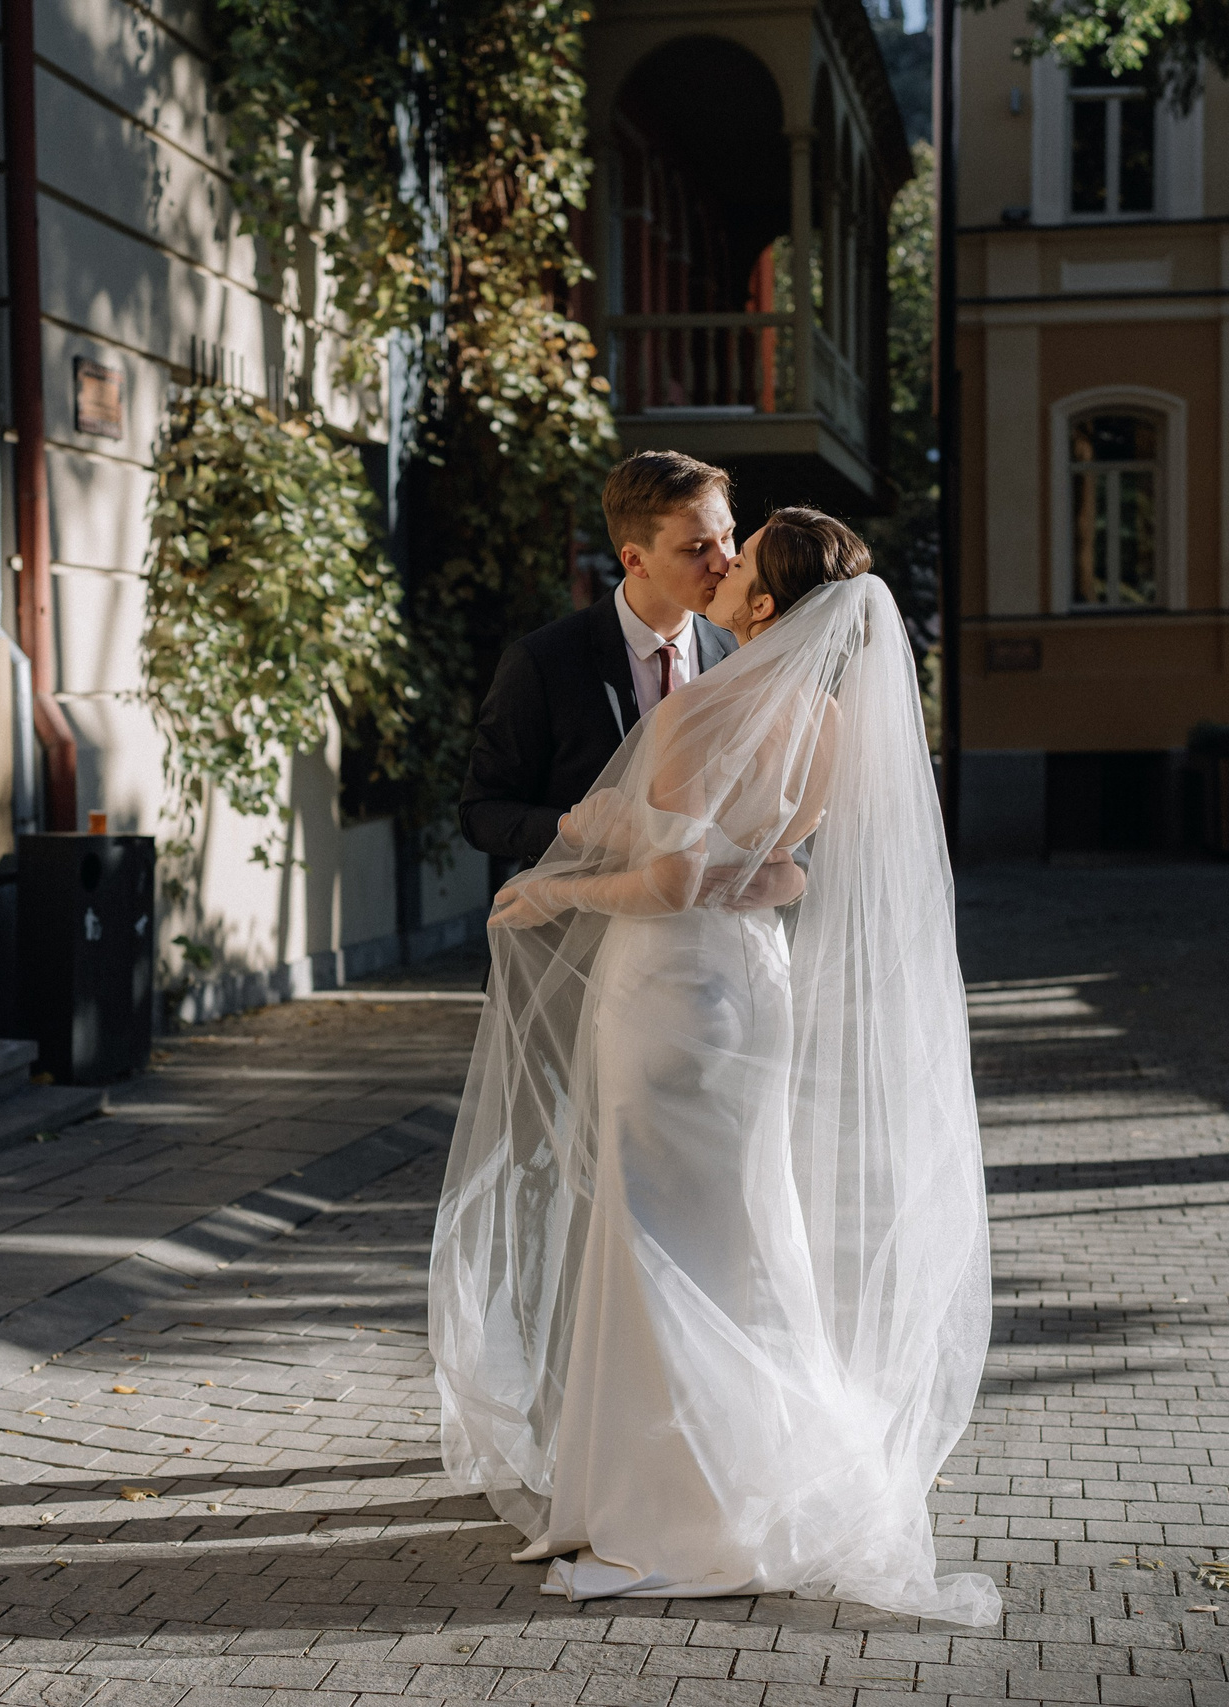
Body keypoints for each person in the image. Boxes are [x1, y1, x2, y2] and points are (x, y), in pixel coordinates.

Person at [428, 508, 998, 1625]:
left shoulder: (703, 710)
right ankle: (752, 1483)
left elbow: (671, 884)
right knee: (738, 1232)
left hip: (671, 994)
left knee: (647, 1238)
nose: (725, 567)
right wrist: (676, 861)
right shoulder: (831, 724)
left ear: (768, 610)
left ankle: (660, 1508)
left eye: (743, 558)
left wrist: (554, 891)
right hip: (752, 987)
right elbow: (781, 878)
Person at [459, 451, 742, 868]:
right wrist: (576, 829)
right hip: (584, 923)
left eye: (728, 536)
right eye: (697, 548)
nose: (724, 562)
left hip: (708, 923)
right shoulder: (542, 662)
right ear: (634, 560)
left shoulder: (739, 653)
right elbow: (481, 814)